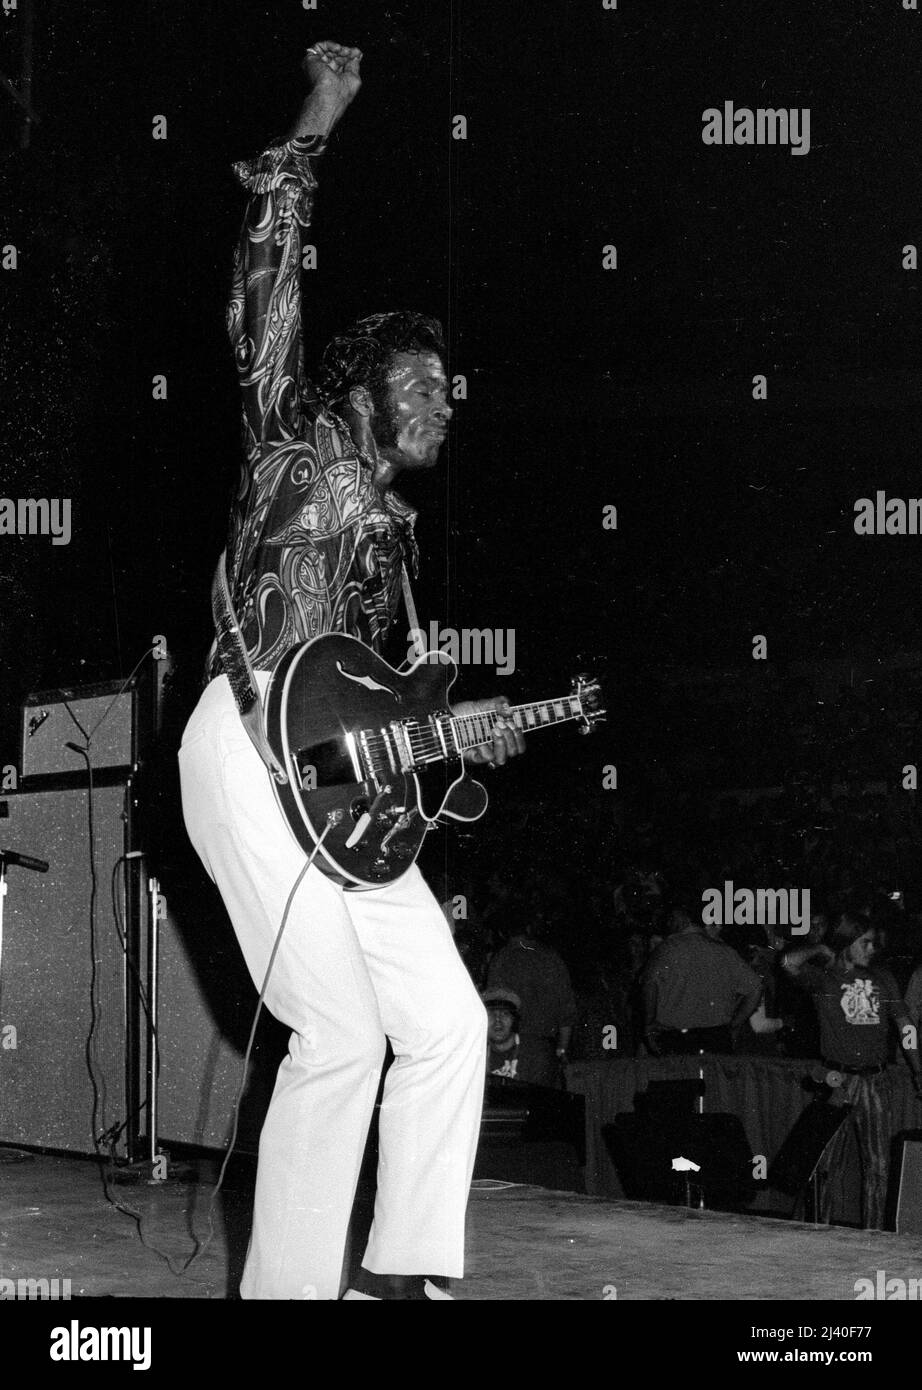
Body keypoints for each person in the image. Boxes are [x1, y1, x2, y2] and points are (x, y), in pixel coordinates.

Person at [178, 42, 524, 1301]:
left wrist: (446, 741)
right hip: (243, 741)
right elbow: (265, 295)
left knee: (446, 1023)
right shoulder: (294, 439)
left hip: (339, 789)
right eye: (422, 383)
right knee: (339, 1032)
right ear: (363, 391)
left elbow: (379, 715)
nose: (444, 401)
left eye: (449, 386)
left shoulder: (402, 555)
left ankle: (412, 1269)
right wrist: (313, 127)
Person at [782, 914, 922, 1229]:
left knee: (878, 1166)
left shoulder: (883, 978)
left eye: (874, 942)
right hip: (837, 1081)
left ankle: (872, 1236)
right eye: (865, 942)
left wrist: (918, 1069)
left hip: (874, 1080)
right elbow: (788, 962)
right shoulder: (825, 978)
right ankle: (819, 1231)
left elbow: (904, 1025)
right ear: (847, 944)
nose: (872, 948)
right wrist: (821, 948)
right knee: (825, 1163)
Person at [641, 907, 763, 1055]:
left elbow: (650, 985)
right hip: (716, 1038)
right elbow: (755, 988)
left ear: (682, 917)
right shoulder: (725, 952)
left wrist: (648, 1024)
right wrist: (734, 1025)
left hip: (675, 1038)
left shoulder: (666, 949)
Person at [485, 913, 578, 1087]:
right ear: (529, 929)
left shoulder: (501, 960)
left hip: (514, 1049)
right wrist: (562, 1049)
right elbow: (567, 1011)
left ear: (503, 933)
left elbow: (492, 1006)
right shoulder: (550, 957)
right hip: (540, 1048)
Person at [483, 988, 523, 1079]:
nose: (498, 1020)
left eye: (505, 1014)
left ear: (514, 1020)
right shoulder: (475, 1053)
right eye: (491, 1014)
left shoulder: (535, 1053)